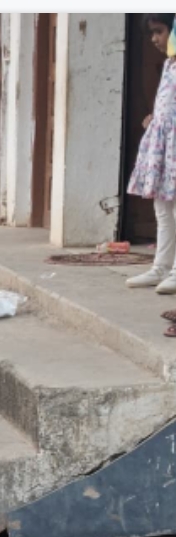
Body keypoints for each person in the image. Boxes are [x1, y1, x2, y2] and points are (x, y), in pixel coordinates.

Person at [127, 14, 176, 332]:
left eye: (159, 32)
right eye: (152, 34)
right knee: (162, 207)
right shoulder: (170, 65)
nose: (154, 39)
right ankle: (161, 266)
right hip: (164, 142)